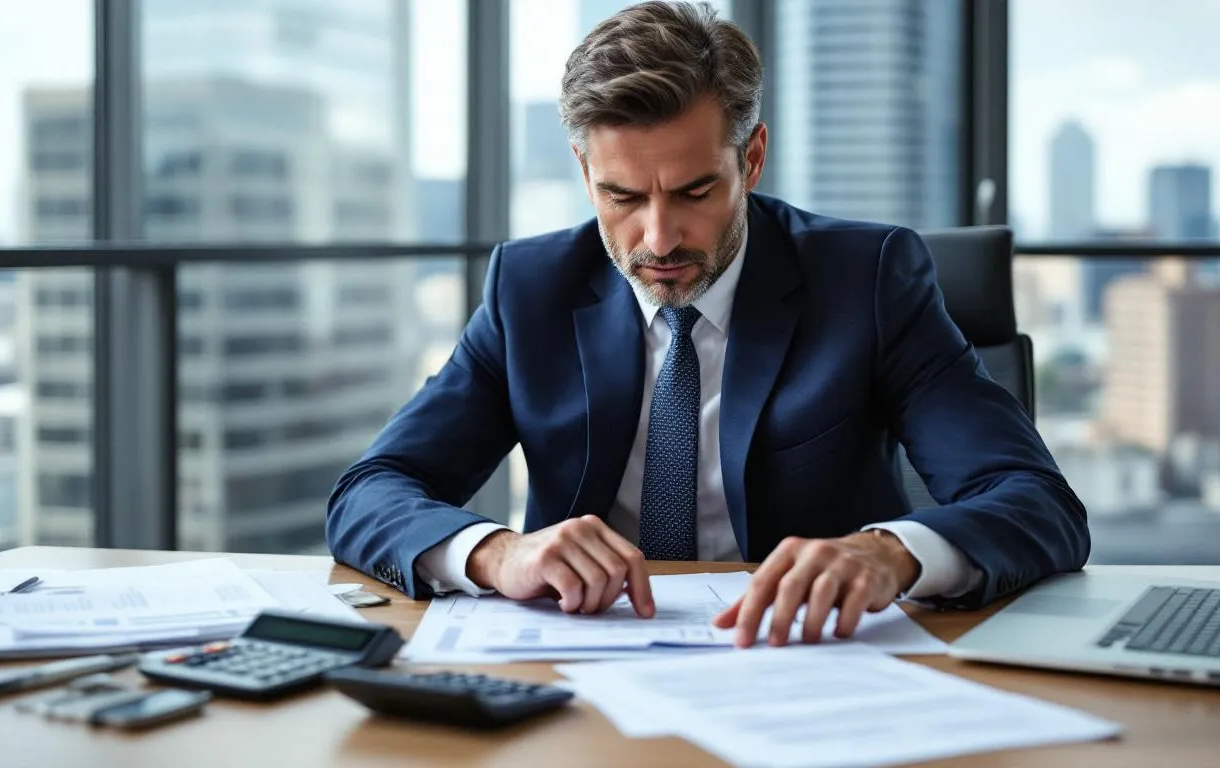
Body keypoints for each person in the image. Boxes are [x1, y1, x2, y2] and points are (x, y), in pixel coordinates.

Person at [327, 0, 1088, 648]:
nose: (658, 239)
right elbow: (371, 491)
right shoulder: (530, 289)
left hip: (810, 668)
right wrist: (497, 555)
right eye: (623, 197)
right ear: (584, 171)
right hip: (580, 674)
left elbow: (1034, 500)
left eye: (694, 192)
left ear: (751, 160)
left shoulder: (870, 280)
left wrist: (891, 553)